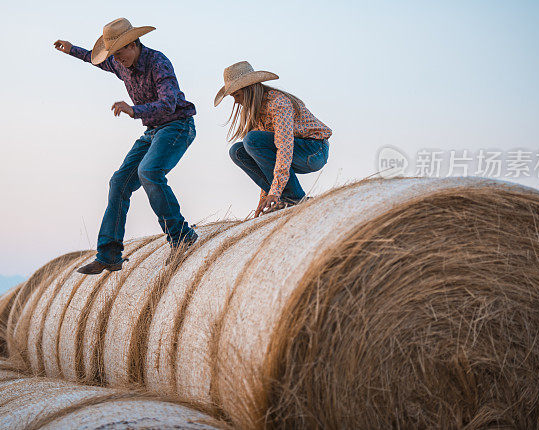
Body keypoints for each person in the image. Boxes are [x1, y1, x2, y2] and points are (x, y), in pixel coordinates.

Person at [54, 17, 198, 274]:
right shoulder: (119, 63)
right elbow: (94, 59)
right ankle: (108, 254)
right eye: (113, 56)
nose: (117, 61)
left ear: (133, 44)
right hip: (152, 131)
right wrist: (71, 48)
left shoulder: (158, 62)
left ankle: (181, 237)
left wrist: (134, 110)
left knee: (149, 172)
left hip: (178, 126)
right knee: (119, 183)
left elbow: (170, 103)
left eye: (119, 54)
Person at [214, 61, 332, 217]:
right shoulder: (258, 111)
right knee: (237, 151)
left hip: (314, 150)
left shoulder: (278, 103)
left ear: (248, 90)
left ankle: (293, 197)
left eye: (237, 95)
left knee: (251, 140)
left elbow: (285, 147)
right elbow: (264, 160)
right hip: (295, 153)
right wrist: (265, 198)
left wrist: (275, 192)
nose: (236, 101)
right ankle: (285, 198)